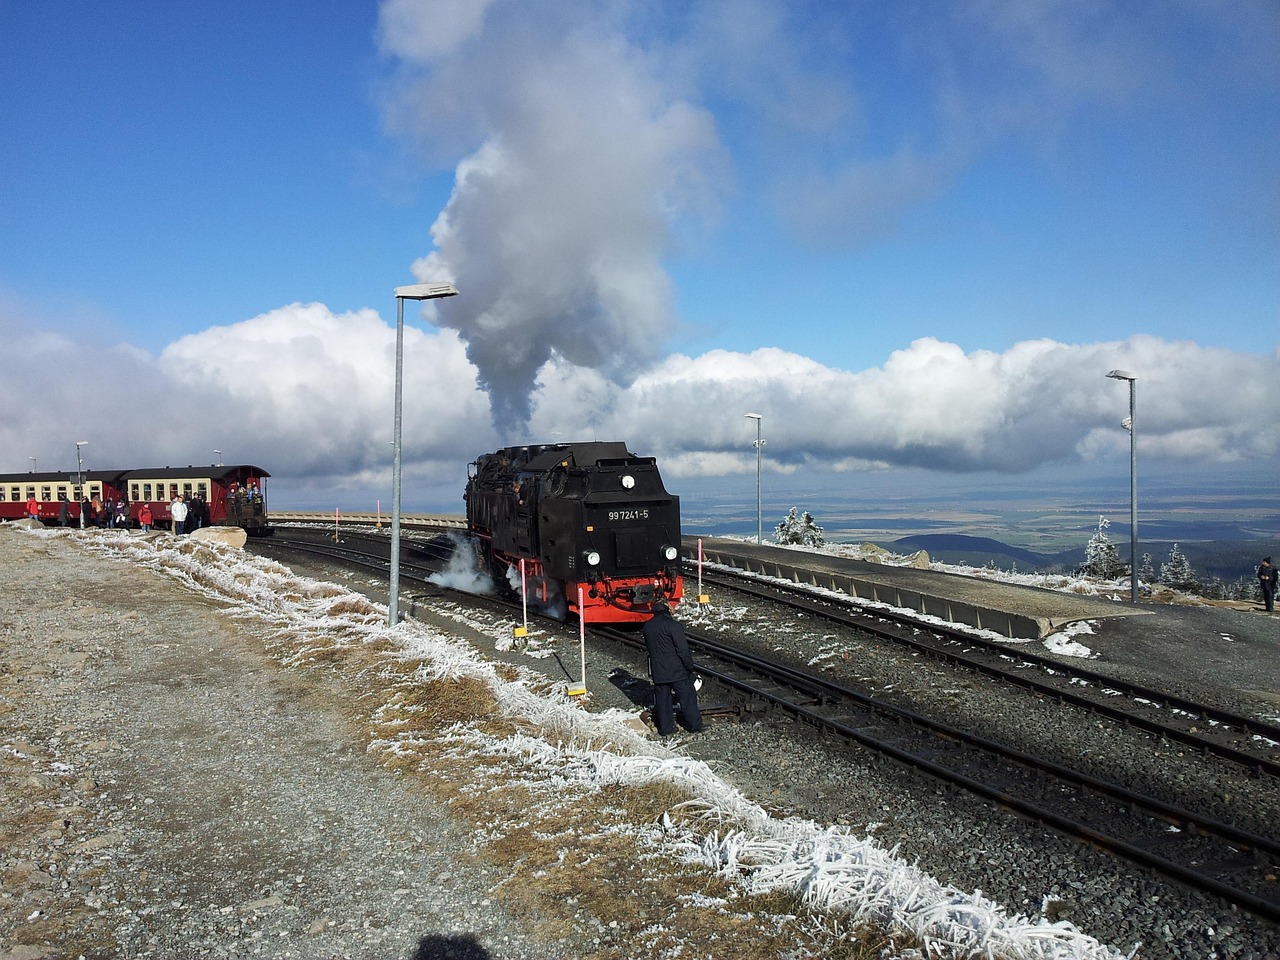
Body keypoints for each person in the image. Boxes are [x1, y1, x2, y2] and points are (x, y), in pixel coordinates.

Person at [641, 600, 703, 737]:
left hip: (658, 670)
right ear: (667, 610)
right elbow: (683, 650)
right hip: (677, 670)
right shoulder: (673, 626)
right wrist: (689, 667)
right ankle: (695, 726)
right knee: (687, 698)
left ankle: (666, 729)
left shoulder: (647, 627)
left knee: (663, 701)